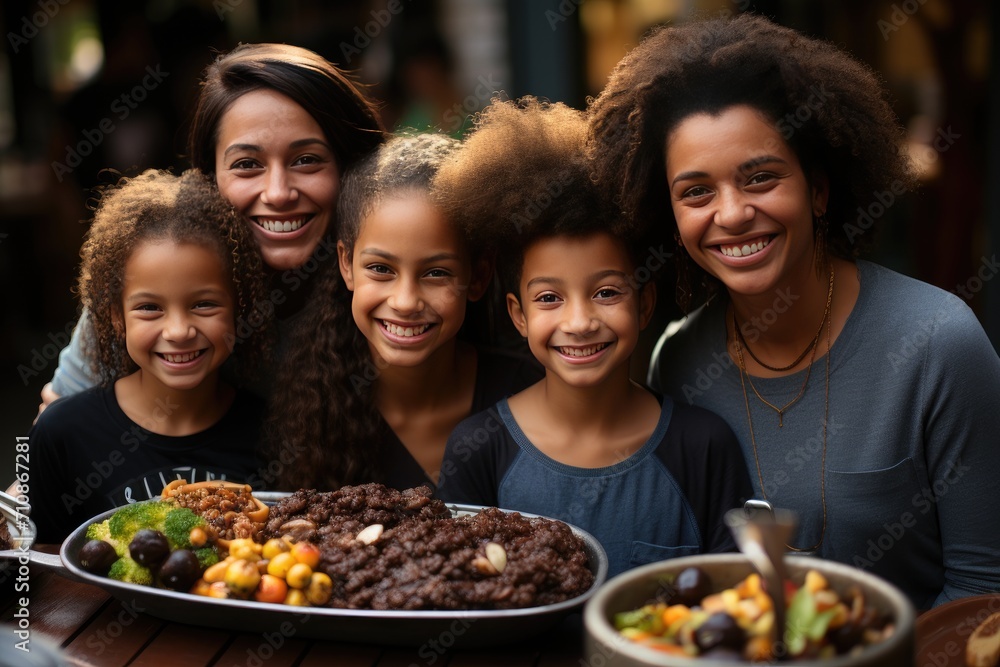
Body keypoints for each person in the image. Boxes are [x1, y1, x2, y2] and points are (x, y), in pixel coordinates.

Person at [587, 13, 1000, 608]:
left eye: (760, 177)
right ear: (669, 218)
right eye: (696, 191)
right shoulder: (677, 360)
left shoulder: (939, 344)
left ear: (820, 190)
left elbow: (983, 590)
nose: (730, 214)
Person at [433, 98, 752, 577]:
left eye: (605, 292)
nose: (579, 321)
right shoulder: (479, 449)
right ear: (517, 315)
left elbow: (733, 605)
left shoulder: (703, 445)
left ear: (644, 304)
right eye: (549, 299)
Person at [39, 42, 385, 411]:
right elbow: (38, 447)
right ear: (208, 177)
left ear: (349, 167)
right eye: (247, 164)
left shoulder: (391, 283)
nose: (279, 193)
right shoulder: (147, 278)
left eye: (306, 160)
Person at [261, 132, 542, 492]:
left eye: (436, 273)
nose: (406, 301)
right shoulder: (303, 410)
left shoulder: (528, 391)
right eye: (381, 269)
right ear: (346, 263)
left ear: (478, 276)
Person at [25, 169, 273, 543]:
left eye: (204, 304)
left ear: (238, 308)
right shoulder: (63, 434)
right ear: (115, 317)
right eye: (149, 308)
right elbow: (34, 566)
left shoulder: (276, 431)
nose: (178, 331)